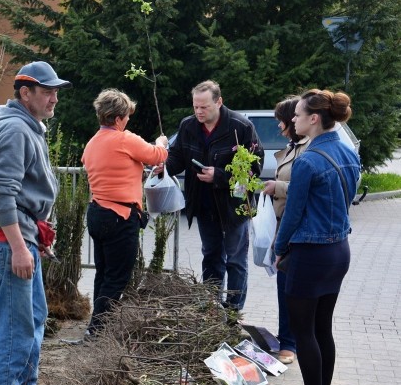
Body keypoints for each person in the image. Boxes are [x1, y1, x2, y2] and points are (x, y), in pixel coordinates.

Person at [0, 61, 71, 385]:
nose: (54, 98)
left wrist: (36, 236)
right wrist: (19, 246)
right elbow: (1, 194)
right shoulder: (16, 130)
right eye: (47, 91)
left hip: (22, 237)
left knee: (34, 315)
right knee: (15, 323)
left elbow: (26, 196)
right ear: (25, 93)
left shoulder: (30, 127)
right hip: (8, 243)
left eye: (56, 91)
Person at [273, 89, 360, 385]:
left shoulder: (308, 160)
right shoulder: (346, 150)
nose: (292, 120)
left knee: (304, 330)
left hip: (310, 254)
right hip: (339, 250)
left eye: (297, 115)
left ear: (313, 118)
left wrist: (280, 249)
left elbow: (292, 214)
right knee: (323, 328)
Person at [163, 80, 263, 311]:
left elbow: (253, 171)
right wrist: (163, 167)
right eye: (195, 106)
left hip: (234, 206)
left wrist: (219, 175)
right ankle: (211, 309)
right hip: (204, 205)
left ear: (219, 102)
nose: (198, 111)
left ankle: (232, 313)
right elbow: (178, 157)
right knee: (211, 257)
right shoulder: (188, 126)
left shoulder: (241, 127)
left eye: (204, 107)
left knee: (236, 261)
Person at [82, 89, 168, 335]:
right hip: (120, 216)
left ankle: (96, 326)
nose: (129, 120)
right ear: (118, 118)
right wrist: (161, 142)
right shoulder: (124, 139)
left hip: (97, 213)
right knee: (117, 277)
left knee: (104, 272)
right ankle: (98, 330)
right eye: (127, 116)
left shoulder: (92, 143)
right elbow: (157, 155)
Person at [261, 96, 310, 365]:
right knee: (284, 285)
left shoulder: (308, 150)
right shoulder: (293, 146)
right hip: (283, 223)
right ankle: (288, 339)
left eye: (284, 119)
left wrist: (277, 187)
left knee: (290, 286)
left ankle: (291, 343)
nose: (281, 126)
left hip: (296, 229)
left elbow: (307, 190)